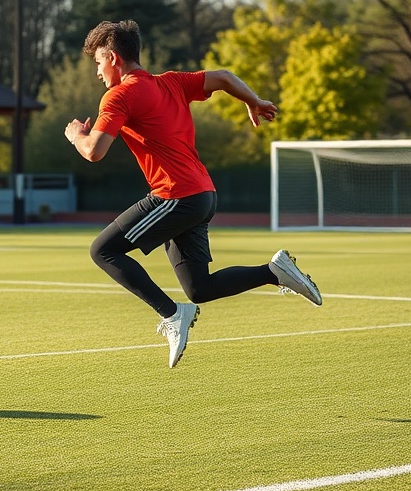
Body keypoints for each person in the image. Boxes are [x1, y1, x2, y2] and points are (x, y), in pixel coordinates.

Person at [64, 20, 322, 369]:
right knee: (200, 289)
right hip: (203, 195)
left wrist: (76, 135)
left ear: (112, 57)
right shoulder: (171, 82)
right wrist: (254, 100)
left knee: (104, 250)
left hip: (176, 196)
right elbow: (225, 77)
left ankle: (171, 315)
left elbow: (94, 152)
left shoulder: (119, 94)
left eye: (97, 62)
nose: (97, 71)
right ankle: (274, 272)